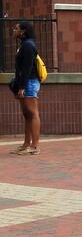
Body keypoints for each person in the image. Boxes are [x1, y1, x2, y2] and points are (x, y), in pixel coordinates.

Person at [10, 22, 42, 155]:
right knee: (27, 115)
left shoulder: (28, 45)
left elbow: (27, 68)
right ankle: (26, 144)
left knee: (32, 113)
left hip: (30, 82)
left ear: (22, 31)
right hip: (25, 83)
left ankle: (34, 147)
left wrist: (22, 87)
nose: (14, 30)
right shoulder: (25, 44)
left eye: (16, 28)